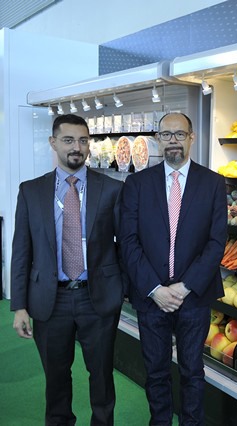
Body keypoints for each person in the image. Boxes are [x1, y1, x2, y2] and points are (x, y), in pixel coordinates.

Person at [11, 114, 126, 425]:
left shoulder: (112, 189)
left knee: (101, 375)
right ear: (53, 143)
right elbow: (21, 251)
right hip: (50, 300)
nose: (77, 147)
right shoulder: (31, 191)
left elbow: (126, 245)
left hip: (97, 298)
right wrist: (19, 306)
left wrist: (122, 290)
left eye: (83, 140)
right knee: (56, 377)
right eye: (68, 140)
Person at [119, 112, 227, 425]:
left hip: (193, 296)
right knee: (155, 371)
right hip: (151, 297)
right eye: (166, 135)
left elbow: (216, 242)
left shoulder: (212, 183)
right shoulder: (137, 184)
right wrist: (155, 289)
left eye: (180, 134)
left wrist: (185, 286)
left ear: (192, 137)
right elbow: (128, 241)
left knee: (193, 371)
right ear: (157, 140)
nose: (173, 141)